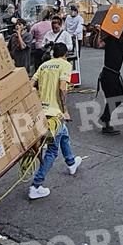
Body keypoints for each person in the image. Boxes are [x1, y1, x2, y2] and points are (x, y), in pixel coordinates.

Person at [28, 42, 82, 200]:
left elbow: (31, 85)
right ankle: (36, 186)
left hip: (42, 111)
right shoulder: (65, 65)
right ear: (65, 54)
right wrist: (64, 110)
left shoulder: (44, 65)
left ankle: (71, 163)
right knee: (52, 150)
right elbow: (63, 87)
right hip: (54, 114)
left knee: (64, 135)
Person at [97, 27, 123, 136]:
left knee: (117, 98)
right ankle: (105, 122)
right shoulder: (111, 40)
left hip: (113, 75)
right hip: (108, 75)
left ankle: (105, 119)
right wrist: (101, 30)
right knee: (115, 99)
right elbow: (99, 44)